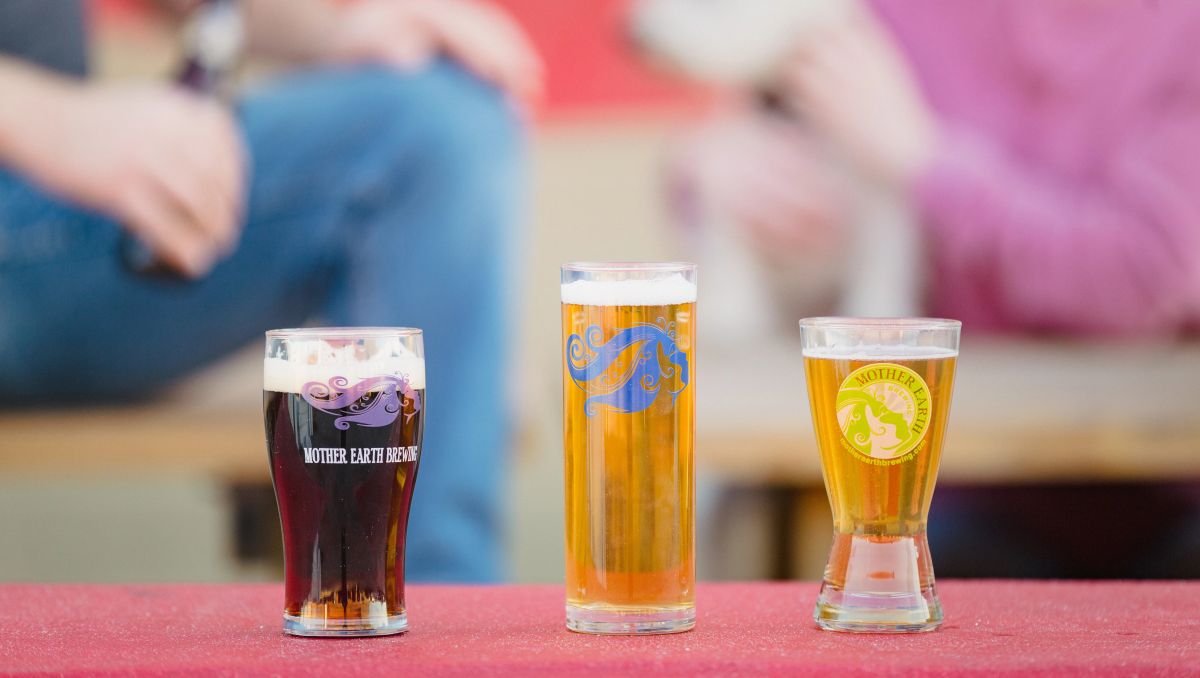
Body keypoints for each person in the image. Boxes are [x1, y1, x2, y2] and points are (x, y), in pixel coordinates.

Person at [0, 0, 543, 583]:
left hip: (52, 219)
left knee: (447, 120)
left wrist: (339, 29)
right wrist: (52, 121)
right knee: (431, 132)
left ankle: (418, 621)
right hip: (33, 175)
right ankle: (435, 613)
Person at [658, 0, 1200, 577]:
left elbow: (1149, 278)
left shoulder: (1179, 24)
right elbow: (771, 126)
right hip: (953, 493)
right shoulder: (888, 13)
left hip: (1169, 497)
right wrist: (706, 166)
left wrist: (924, 162)